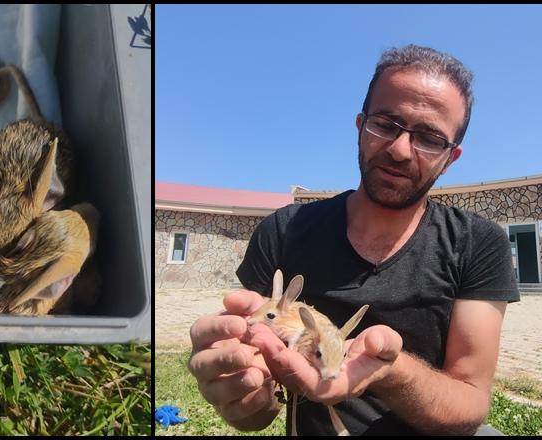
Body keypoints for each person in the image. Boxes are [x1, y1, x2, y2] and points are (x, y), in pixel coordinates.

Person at [187, 45, 520, 435]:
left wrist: (388, 372)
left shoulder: (479, 243)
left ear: (451, 158)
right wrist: (243, 394)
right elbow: (256, 406)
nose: (398, 150)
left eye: (428, 138)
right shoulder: (284, 231)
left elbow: (469, 402)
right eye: (385, 124)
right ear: (360, 124)